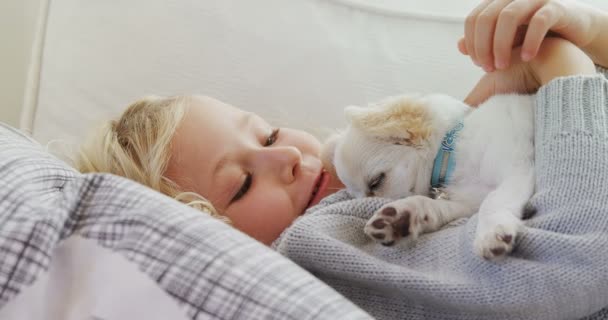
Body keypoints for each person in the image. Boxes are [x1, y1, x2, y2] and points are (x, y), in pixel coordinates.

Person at [78, 0, 607, 251]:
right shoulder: (325, 245)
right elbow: (581, 245)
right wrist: (562, 64)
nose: (284, 157)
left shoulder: (392, 154)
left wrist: (583, 28)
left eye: (268, 135)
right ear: (210, 238)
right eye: (240, 184)